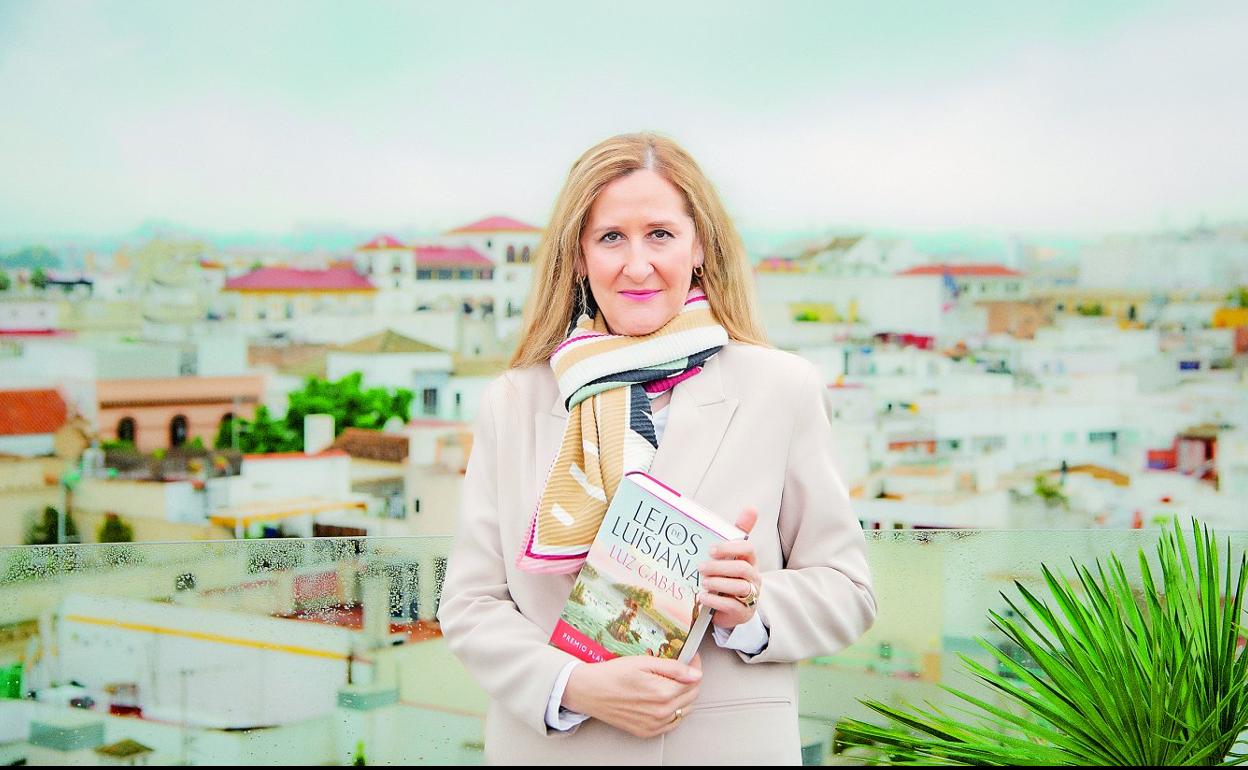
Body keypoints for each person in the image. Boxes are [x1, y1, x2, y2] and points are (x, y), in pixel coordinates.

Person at [436, 132, 876, 765]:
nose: (637, 265)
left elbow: (849, 591)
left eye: (661, 235)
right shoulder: (516, 401)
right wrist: (573, 686)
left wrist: (752, 605)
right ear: (579, 256)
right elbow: (472, 602)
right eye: (611, 237)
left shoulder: (782, 390)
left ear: (699, 248)